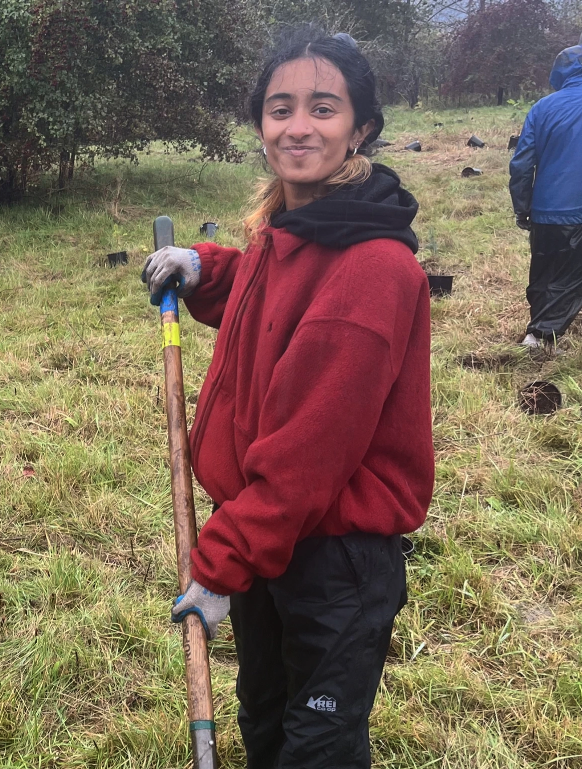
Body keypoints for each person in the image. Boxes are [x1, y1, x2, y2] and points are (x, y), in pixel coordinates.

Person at [142, 28, 433, 767]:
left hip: (331, 558)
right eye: (279, 108)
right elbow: (268, 299)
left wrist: (217, 564)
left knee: (317, 747)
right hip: (272, 540)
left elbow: (308, 457)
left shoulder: (370, 267)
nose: (296, 125)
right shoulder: (294, 228)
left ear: (360, 126)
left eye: (322, 107)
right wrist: (205, 271)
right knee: (266, 717)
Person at [509, 41, 582, 351]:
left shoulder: (541, 108)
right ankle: (539, 337)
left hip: (545, 210)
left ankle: (539, 331)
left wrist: (523, 207)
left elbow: (522, 164)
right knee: (571, 277)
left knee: (542, 272)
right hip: (577, 213)